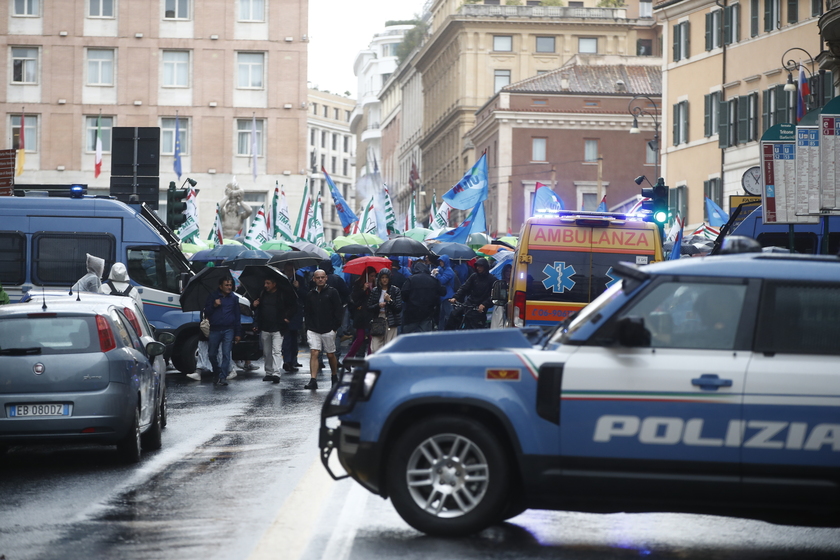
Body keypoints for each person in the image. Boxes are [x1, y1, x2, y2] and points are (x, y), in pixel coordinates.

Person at [252, 276, 297, 384]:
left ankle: (276, 373)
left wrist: (287, 317)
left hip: (278, 327)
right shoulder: (262, 294)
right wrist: (253, 305)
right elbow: (256, 310)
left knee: (276, 351)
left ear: (274, 284)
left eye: (268, 283)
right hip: (265, 327)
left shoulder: (282, 294)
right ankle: (268, 372)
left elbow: (293, 306)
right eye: (265, 283)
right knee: (266, 352)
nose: (266, 285)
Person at [303, 270, 344, 389]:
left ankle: (334, 375)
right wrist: (309, 326)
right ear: (314, 279)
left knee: (331, 354)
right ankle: (313, 379)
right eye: (318, 277)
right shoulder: (310, 294)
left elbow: (338, 310)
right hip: (313, 328)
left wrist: (334, 328)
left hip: (328, 329)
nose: (320, 279)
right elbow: (307, 311)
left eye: (322, 277)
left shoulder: (333, 292)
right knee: (314, 352)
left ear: (326, 278)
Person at [204, 277, 241, 386]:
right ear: (220, 286)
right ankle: (217, 371)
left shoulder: (234, 298)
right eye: (227, 285)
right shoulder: (213, 296)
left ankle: (223, 376)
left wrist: (238, 333)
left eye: (230, 285)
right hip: (215, 329)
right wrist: (214, 305)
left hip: (228, 329)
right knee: (211, 354)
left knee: (226, 353)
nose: (229, 287)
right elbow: (206, 312)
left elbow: (237, 315)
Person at [447, 257, 494, 330]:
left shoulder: (492, 279)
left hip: (479, 308)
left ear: (485, 267)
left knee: (475, 326)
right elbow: (464, 287)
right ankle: (449, 335)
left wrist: (484, 304)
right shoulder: (474, 276)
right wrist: (455, 297)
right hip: (469, 303)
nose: (478, 268)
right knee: (454, 314)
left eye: (480, 266)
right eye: (477, 266)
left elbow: (494, 295)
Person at [343, 267, 377, 366]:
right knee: (360, 338)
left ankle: (370, 360)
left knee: (372, 338)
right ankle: (348, 359)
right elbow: (354, 298)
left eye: (374, 276)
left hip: (371, 314)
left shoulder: (375, 285)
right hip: (361, 315)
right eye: (371, 276)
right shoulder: (358, 284)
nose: (373, 278)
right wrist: (363, 289)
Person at [401, 260, 445, 333]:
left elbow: (404, 294)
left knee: (408, 336)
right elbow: (442, 292)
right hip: (427, 312)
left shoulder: (411, 279)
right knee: (425, 337)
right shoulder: (432, 280)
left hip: (411, 312)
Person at [367, 268, 403, 353]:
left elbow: (398, 308)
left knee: (390, 346)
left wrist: (389, 301)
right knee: (375, 347)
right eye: (382, 277)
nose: (384, 279)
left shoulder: (395, 290)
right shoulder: (375, 290)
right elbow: (369, 307)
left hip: (391, 320)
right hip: (378, 319)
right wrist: (378, 305)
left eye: (386, 277)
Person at [281, 262, 307, 373]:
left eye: (291, 270)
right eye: (287, 270)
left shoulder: (299, 279)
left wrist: (298, 288)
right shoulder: (281, 279)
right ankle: (287, 361)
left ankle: (293, 360)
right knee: (287, 338)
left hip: (296, 312)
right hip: (285, 312)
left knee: (294, 337)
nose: (289, 273)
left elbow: (305, 294)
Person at [432, 255, 458, 330]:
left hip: (448, 296)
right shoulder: (442, 268)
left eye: (442, 261)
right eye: (440, 261)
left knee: (448, 315)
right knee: (442, 316)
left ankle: (450, 330)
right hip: (443, 296)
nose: (440, 262)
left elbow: (442, 280)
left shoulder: (449, 271)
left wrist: (436, 274)